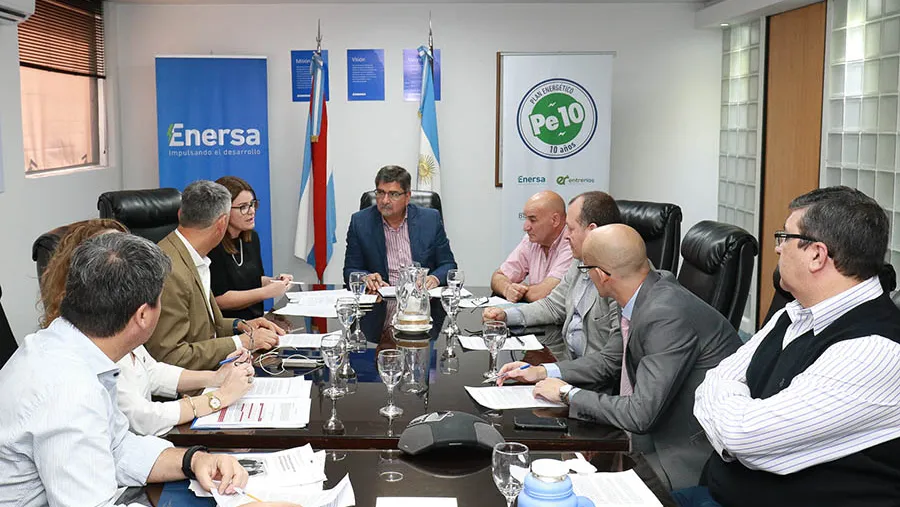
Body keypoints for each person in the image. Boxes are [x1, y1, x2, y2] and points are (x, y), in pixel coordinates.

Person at [0, 233, 296, 507]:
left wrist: (193, 461)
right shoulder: (68, 391)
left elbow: (116, 447)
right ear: (143, 315)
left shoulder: (70, 346)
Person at [688, 186, 900, 507]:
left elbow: (745, 435)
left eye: (784, 237)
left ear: (816, 254)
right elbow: (712, 382)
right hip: (718, 494)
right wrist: (737, 428)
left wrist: (733, 430)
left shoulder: (876, 350)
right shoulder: (796, 312)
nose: (777, 249)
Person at [498, 224, 742, 490]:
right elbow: (608, 360)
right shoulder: (648, 293)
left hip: (678, 455)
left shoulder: (665, 314)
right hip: (644, 435)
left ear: (602, 276)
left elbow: (640, 414)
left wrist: (568, 394)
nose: (586, 278)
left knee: (557, 487)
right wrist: (543, 371)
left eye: (585, 269)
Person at [38, 219, 255, 437]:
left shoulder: (118, 320)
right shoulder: (93, 337)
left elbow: (151, 371)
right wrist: (219, 397)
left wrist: (214, 378)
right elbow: (142, 419)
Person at [146, 180, 284, 370]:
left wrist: (241, 325)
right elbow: (170, 356)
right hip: (191, 387)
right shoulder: (171, 271)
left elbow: (206, 326)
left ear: (180, 214)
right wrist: (242, 342)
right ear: (222, 224)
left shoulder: (193, 257)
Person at [483, 191, 622, 360]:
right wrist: (505, 316)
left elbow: (612, 360)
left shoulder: (620, 277)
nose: (567, 236)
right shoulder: (579, 263)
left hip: (588, 376)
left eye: (571, 229)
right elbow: (552, 306)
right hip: (566, 361)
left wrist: (551, 373)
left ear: (591, 231)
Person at [344, 165, 457, 291]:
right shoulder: (360, 223)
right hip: (380, 301)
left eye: (393, 194)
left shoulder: (430, 220)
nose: (385, 200)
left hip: (421, 299)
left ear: (407, 197)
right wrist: (365, 278)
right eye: (380, 192)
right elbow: (350, 269)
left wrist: (434, 278)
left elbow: (448, 265)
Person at [209, 175, 293, 320]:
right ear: (224, 211)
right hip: (229, 328)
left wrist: (274, 281)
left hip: (257, 320)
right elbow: (218, 300)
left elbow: (251, 280)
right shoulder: (213, 245)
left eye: (252, 204)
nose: (252, 211)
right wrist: (266, 292)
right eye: (243, 207)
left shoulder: (251, 238)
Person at [491, 190, 572, 303]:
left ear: (555, 220)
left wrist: (521, 292)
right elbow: (498, 276)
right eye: (526, 218)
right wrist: (508, 289)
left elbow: (546, 294)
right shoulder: (531, 240)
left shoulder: (572, 242)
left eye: (532, 220)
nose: (526, 227)